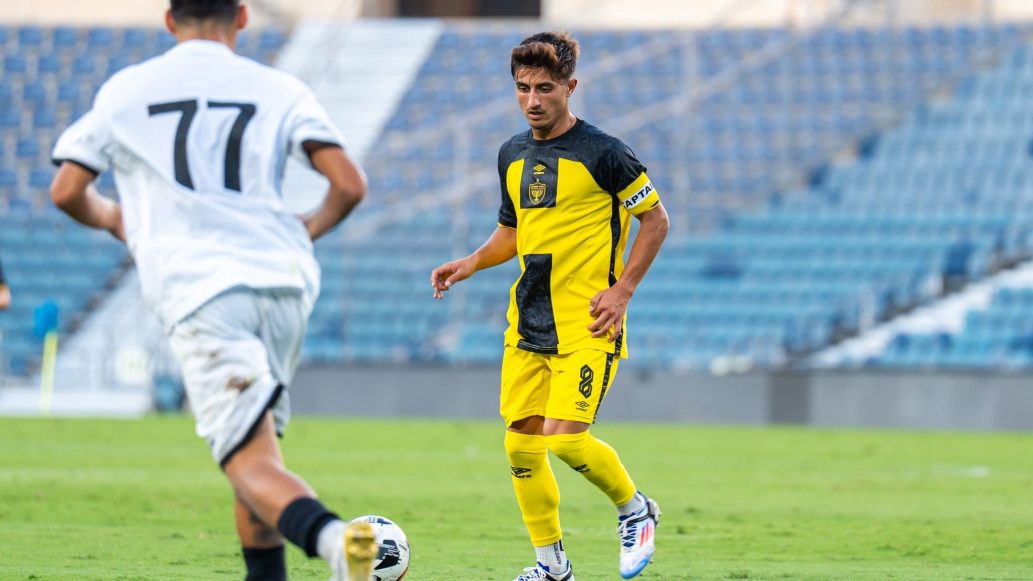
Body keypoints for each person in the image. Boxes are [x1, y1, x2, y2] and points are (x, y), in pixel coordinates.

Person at [49, 2, 374, 579]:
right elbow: (348, 184)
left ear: (170, 20)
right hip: (285, 283)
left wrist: (115, 219)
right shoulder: (279, 88)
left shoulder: (128, 90)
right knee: (259, 452)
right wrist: (308, 229)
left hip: (204, 287)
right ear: (242, 17)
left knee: (247, 463)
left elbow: (67, 189)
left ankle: (336, 542)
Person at [430, 31, 670, 581]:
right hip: (527, 325)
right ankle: (551, 566)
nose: (533, 100)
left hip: (588, 322)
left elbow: (656, 221)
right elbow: (512, 233)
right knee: (520, 447)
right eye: (523, 88)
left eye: (544, 88)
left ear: (570, 87)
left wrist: (623, 291)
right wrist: (470, 262)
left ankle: (635, 509)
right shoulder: (511, 153)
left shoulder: (606, 153)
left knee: (564, 440)